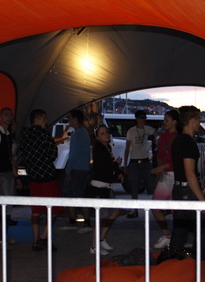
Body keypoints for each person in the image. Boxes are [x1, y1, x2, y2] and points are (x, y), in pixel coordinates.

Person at [169, 105, 205, 256]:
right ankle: (197, 263)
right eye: (199, 119)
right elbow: (190, 173)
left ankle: (174, 262)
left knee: (180, 230)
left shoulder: (177, 140)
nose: (200, 123)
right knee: (203, 230)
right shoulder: (188, 142)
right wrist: (202, 200)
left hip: (179, 189)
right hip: (187, 191)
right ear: (192, 121)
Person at [18, 108, 62, 251]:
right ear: (38, 119)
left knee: (35, 211)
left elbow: (21, 154)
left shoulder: (24, 135)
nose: (46, 122)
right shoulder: (44, 134)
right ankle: (44, 237)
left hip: (33, 177)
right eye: (44, 119)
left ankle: (36, 240)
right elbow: (53, 154)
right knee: (54, 210)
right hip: (48, 177)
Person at [88, 123, 124, 255]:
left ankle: (101, 239)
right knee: (101, 218)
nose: (106, 135)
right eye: (102, 133)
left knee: (114, 212)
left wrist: (118, 171)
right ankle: (94, 247)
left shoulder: (107, 147)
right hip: (99, 186)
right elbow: (104, 166)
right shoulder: (98, 149)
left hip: (106, 186)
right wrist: (116, 164)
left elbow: (110, 165)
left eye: (107, 132)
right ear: (97, 137)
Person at [0, 107, 20, 248]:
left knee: (7, 207)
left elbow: (10, 157)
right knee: (5, 207)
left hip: (7, 173)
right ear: (0, 117)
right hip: (2, 173)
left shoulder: (6, 134)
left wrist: (16, 176)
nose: (9, 117)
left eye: (10, 115)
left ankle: (1, 236)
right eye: (6, 115)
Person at [149, 109, 179, 249]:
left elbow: (176, 160)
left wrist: (161, 167)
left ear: (175, 122)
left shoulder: (178, 137)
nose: (164, 122)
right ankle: (167, 235)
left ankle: (175, 238)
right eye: (164, 120)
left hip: (174, 175)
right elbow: (160, 154)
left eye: (167, 120)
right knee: (156, 206)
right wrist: (161, 168)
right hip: (165, 175)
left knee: (175, 210)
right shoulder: (164, 136)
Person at [62, 109, 93, 233]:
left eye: (70, 118)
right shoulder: (83, 132)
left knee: (76, 196)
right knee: (76, 195)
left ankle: (83, 223)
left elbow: (73, 155)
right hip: (82, 169)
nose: (69, 120)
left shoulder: (77, 135)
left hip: (77, 170)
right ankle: (77, 221)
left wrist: (67, 171)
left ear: (75, 119)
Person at [123, 109, 155, 218]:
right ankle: (134, 209)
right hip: (134, 161)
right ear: (136, 119)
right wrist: (125, 165)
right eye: (142, 118)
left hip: (145, 161)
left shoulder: (148, 129)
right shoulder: (131, 131)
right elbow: (127, 148)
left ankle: (156, 208)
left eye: (145, 118)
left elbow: (159, 133)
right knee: (134, 186)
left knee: (151, 184)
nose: (144, 120)